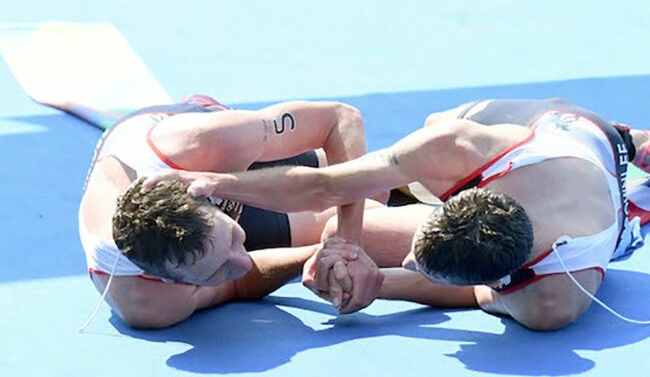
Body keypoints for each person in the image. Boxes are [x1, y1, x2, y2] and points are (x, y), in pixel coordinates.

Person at [143, 98, 650, 331]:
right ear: (458, 201)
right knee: (432, 124)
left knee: (365, 211)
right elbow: (321, 185)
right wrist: (215, 183)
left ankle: (633, 145)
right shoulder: (455, 146)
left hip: (588, 175)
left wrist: (380, 285)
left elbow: (475, 294)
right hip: (567, 132)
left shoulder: (551, 302)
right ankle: (631, 142)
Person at [79, 94, 427, 329]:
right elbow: (239, 282)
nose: (241, 259)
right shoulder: (148, 302)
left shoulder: (205, 144)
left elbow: (340, 119)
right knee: (363, 228)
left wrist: (347, 245)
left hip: (209, 146)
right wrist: (316, 255)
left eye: (233, 238)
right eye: (217, 270)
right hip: (208, 203)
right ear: (176, 280)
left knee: (373, 188)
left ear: (205, 193)